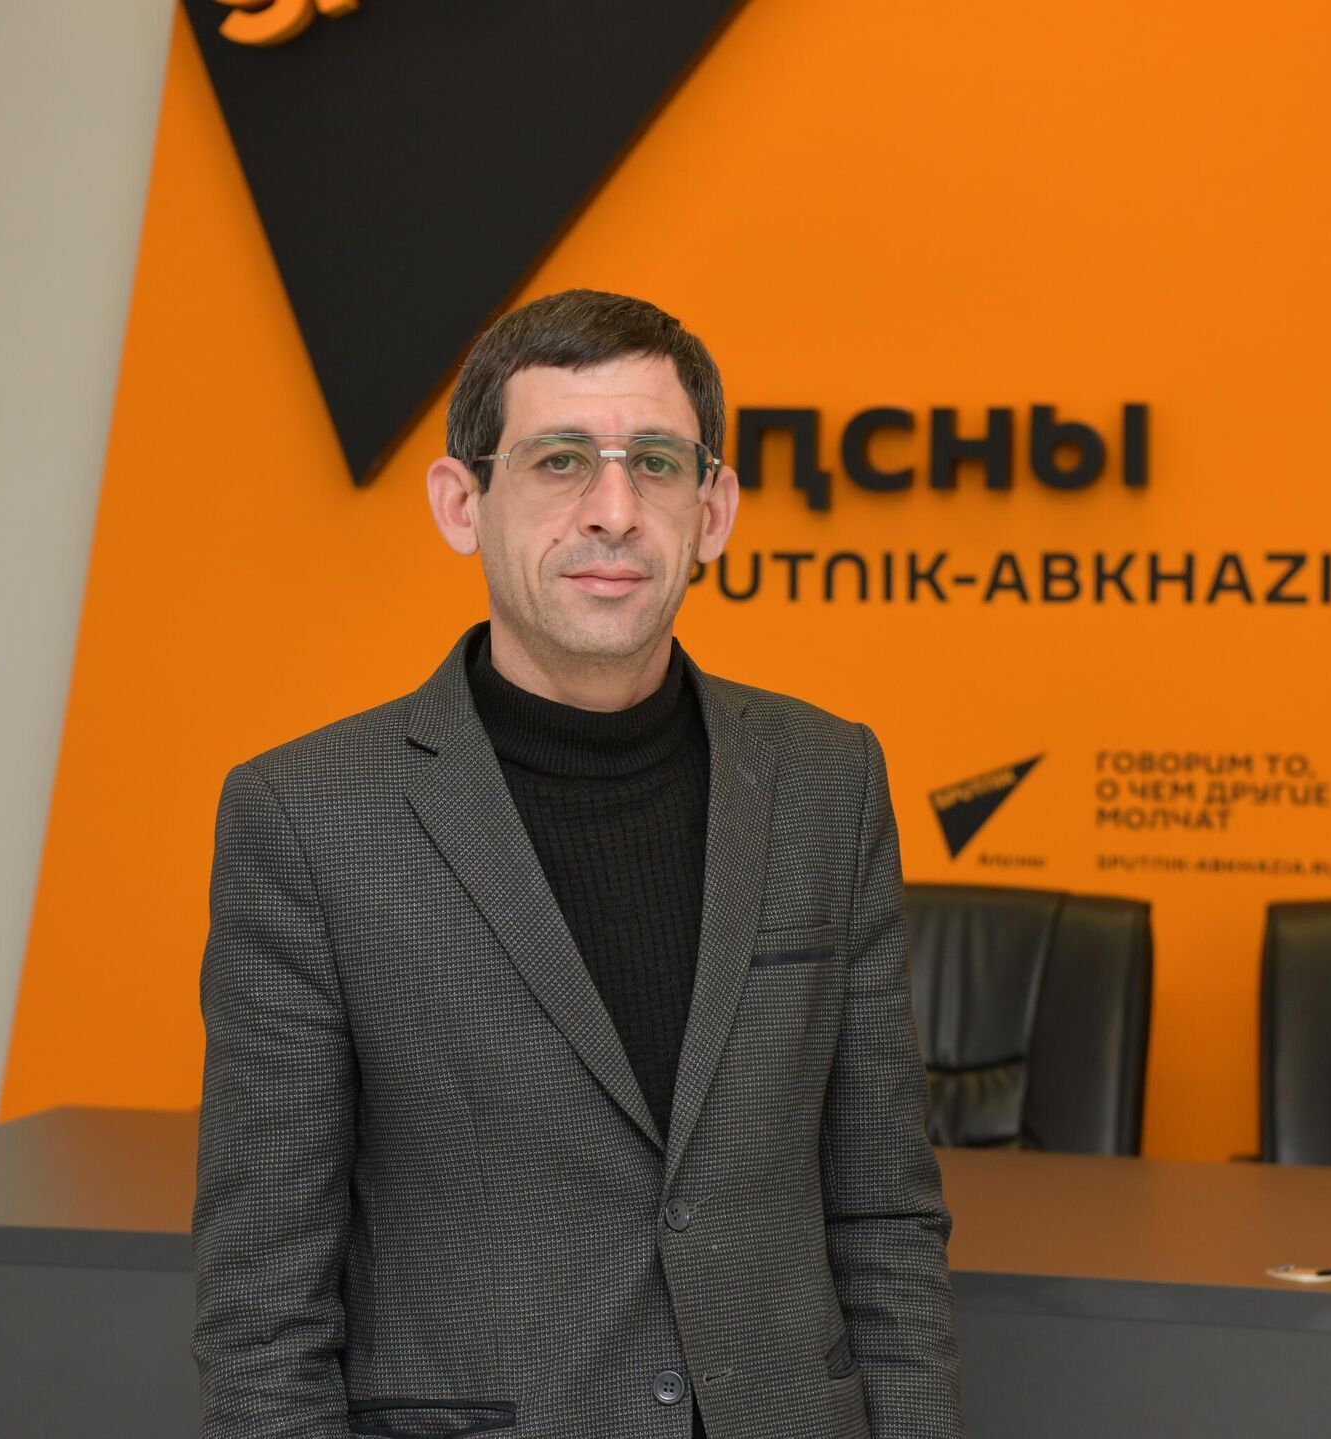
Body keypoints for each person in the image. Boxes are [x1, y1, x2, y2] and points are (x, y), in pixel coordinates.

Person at [191, 289, 963, 1438]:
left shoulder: (825, 781)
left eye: (656, 462)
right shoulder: (308, 817)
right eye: (559, 461)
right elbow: (264, 1314)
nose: (614, 510)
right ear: (461, 503)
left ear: (713, 509)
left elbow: (884, 1219)